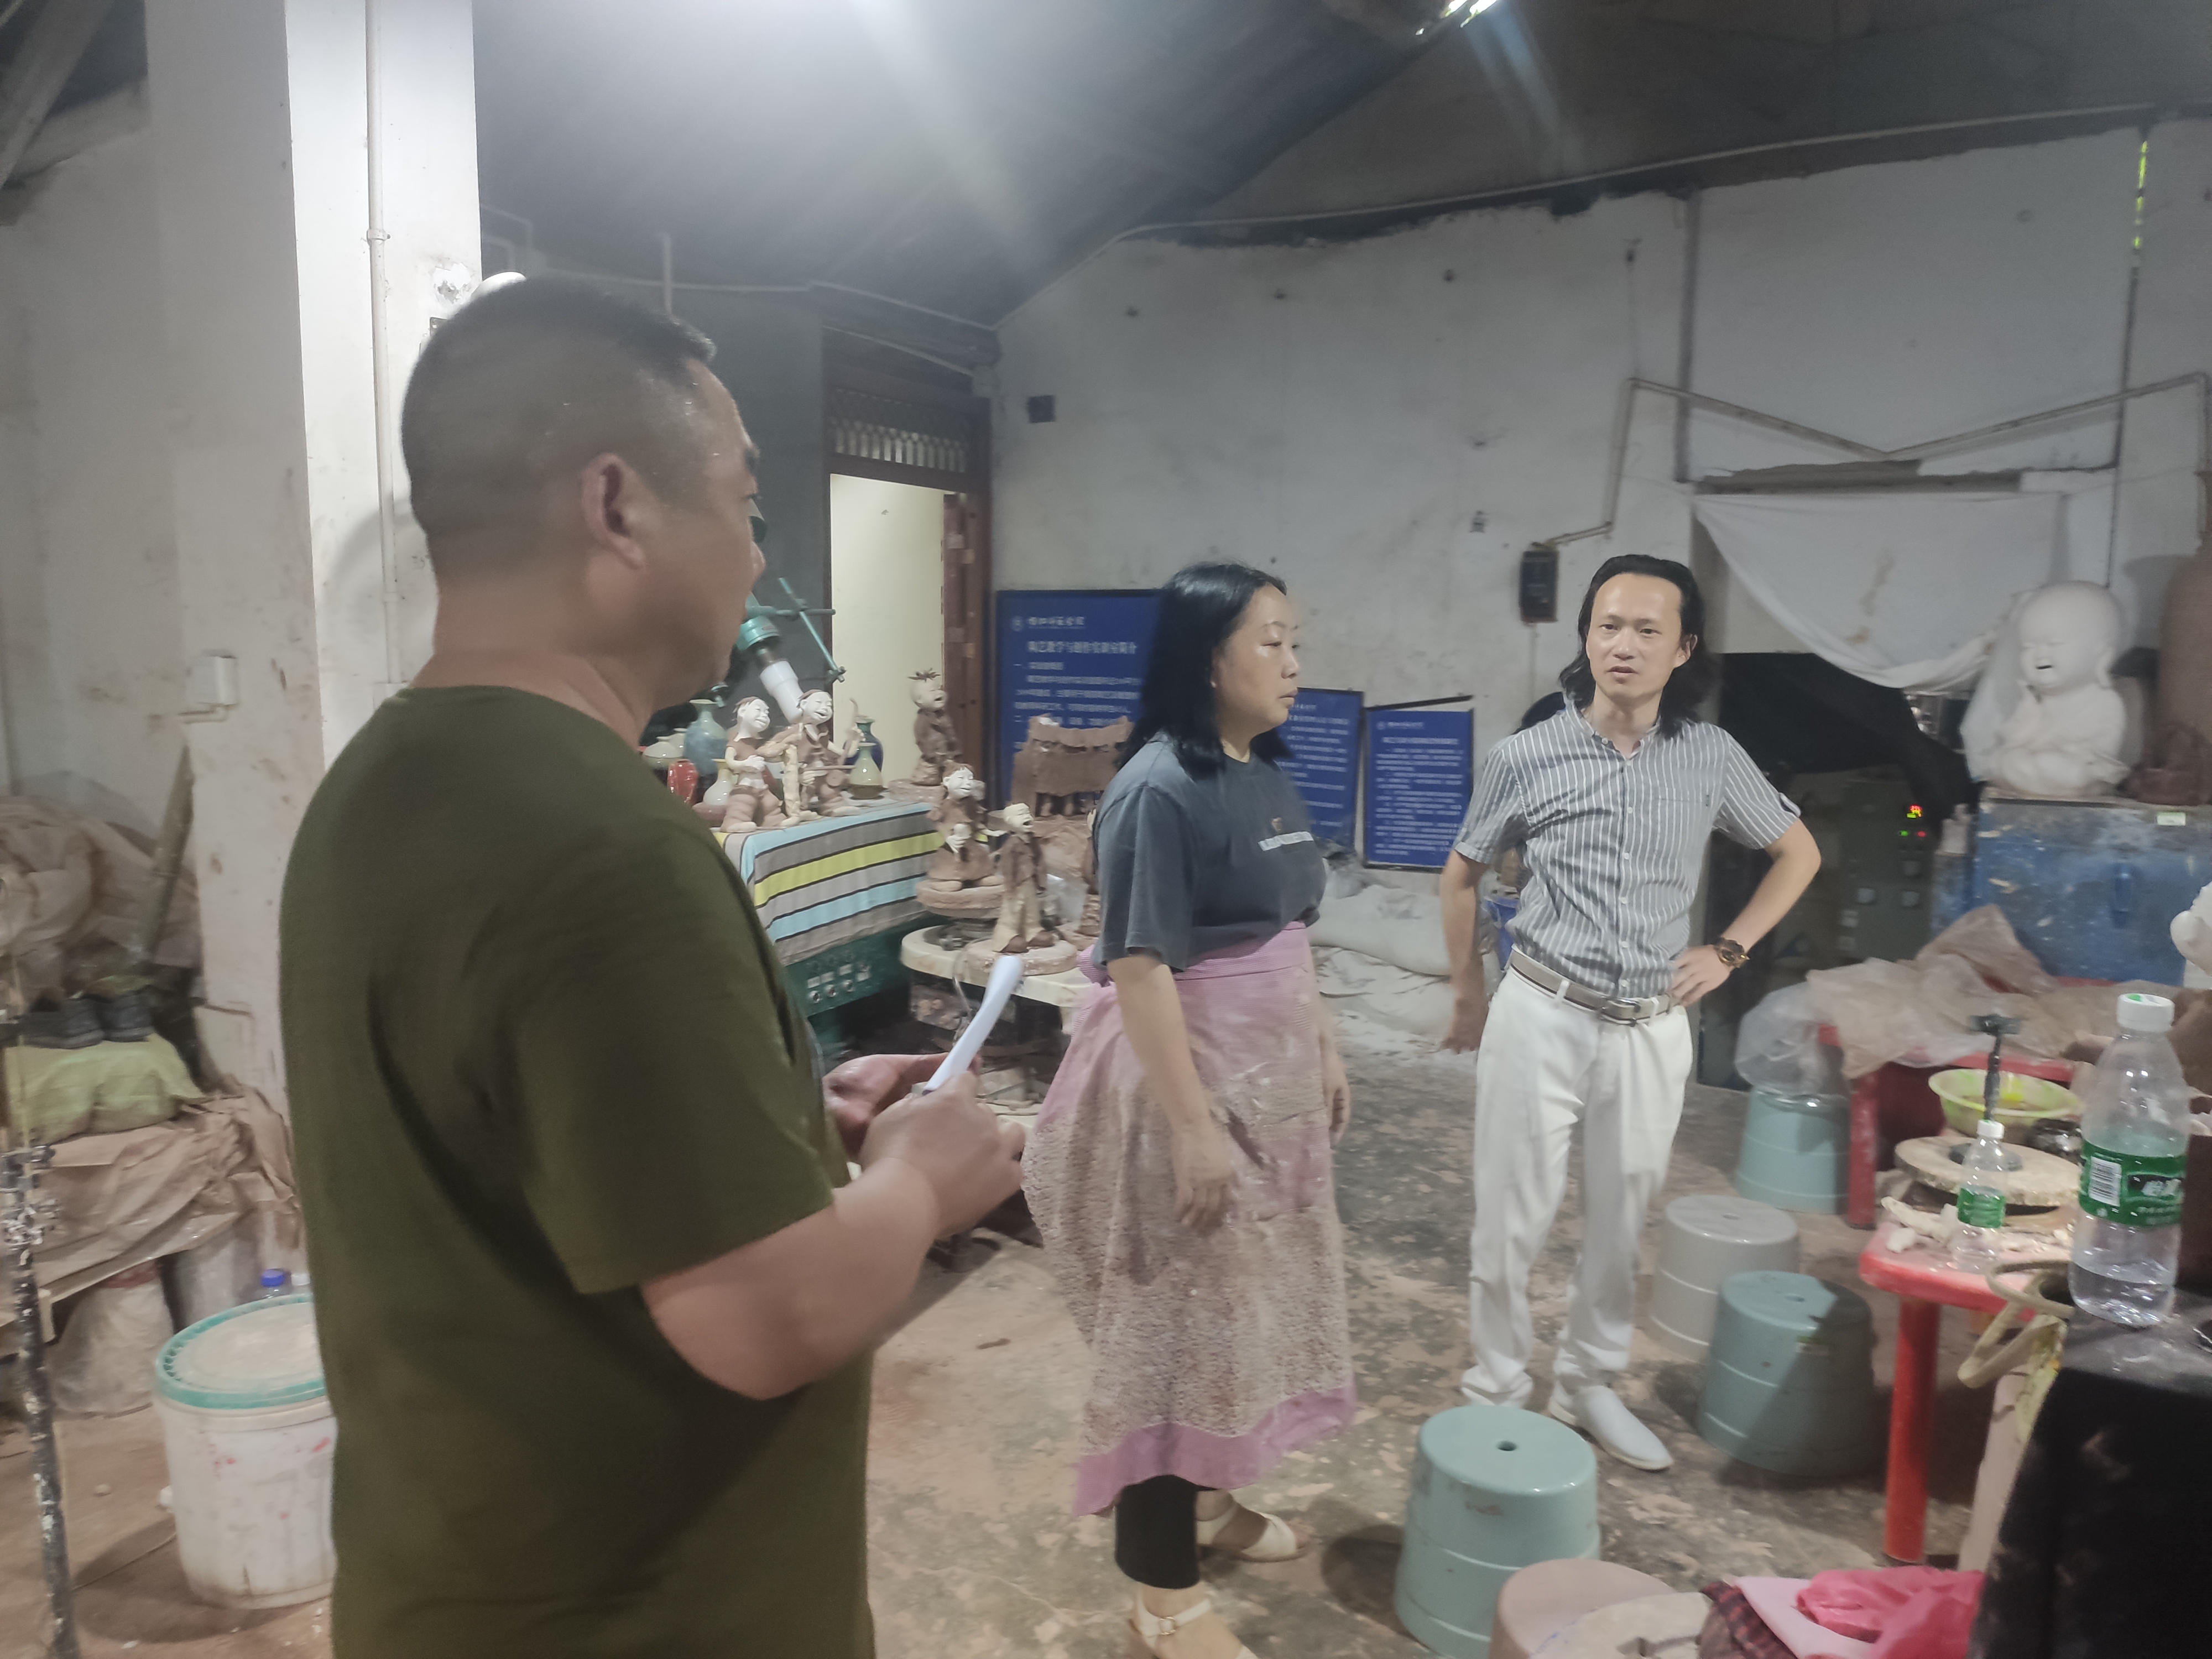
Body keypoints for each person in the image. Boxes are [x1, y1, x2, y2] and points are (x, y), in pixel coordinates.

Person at [280, 279, 1024, 1658]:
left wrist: (787, 1129)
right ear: (617, 506)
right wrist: (922, 1180)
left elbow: (519, 1158)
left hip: (448, 1588)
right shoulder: (604, 845)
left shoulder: (380, 788)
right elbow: (767, 1317)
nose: (755, 554)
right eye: (743, 502)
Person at [1025, 562, 1355, 1659]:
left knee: (1242, 1315)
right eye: (1271, 641)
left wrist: (1321, 1041)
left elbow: (1287, 929)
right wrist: (1190, 1127)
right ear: (1209, 658)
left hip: (1270, 1088)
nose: (1294, 662)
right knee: (1171, 1334)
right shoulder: (1156, 789)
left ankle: (1210, 1504)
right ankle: (1158, 1591)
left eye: (1294, 639)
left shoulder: (1263, 771)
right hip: (1189, 1089)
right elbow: (1139, 966)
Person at [1438, 554, 1819, 1472]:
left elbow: (1798, 854)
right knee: (1509, 1224)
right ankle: (1496, 1390)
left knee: (1619, 1224)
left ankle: (1587, 1385)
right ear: (1585, 636)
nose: (1624, 644)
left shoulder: (1711, 757)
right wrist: (1470, 994)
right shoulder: (1527, 756)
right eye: (1608, 625)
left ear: (1683, 649)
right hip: (1543, 1009)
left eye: (1649, 630)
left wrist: (1728, 951)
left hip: (1651, 1025)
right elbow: (1460, 877)